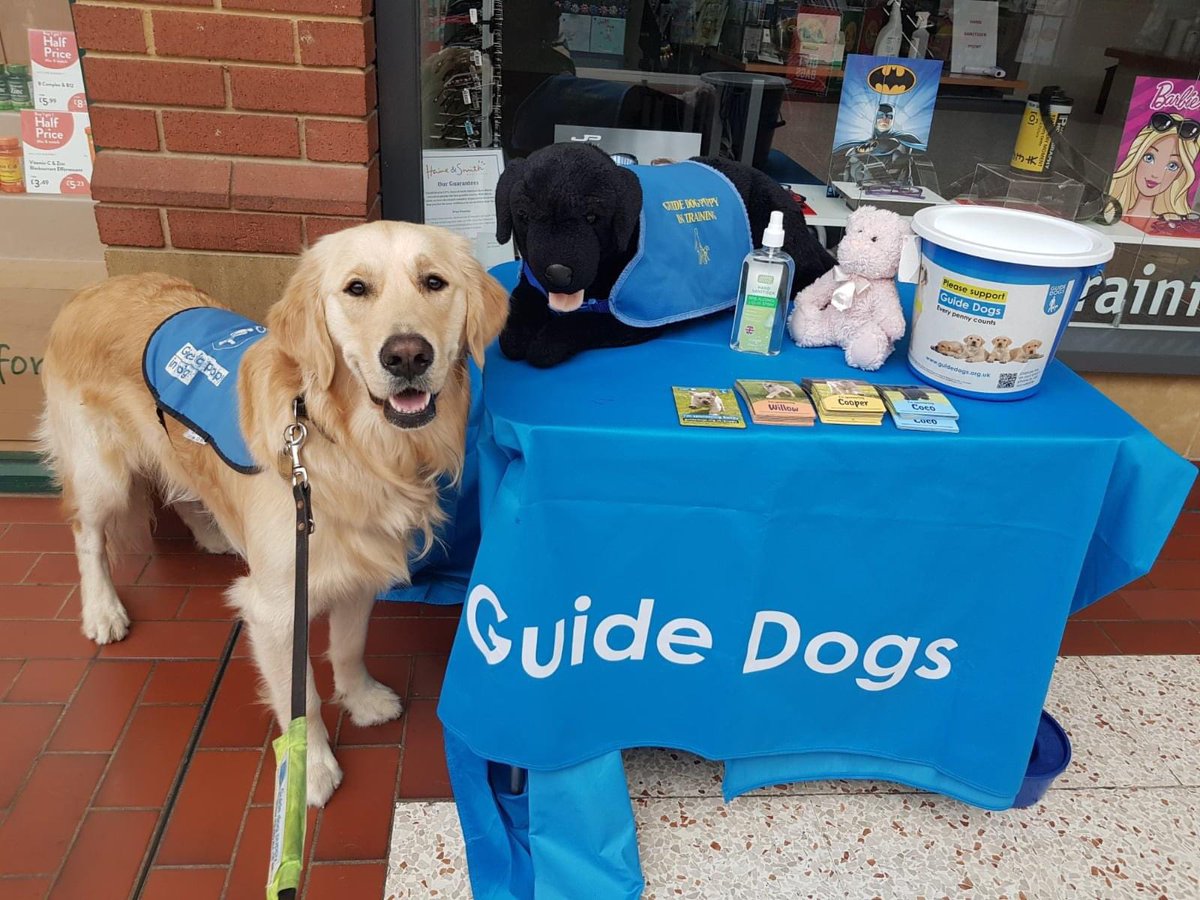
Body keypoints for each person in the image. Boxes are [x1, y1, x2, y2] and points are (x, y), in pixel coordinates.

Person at [1110, 112, 1200, 221]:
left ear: (1180, 173)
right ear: (1136, 158)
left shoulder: (1172, 224)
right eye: (1149, 158)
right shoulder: (1110, 212)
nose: (1156, 174)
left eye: (1172, 166)